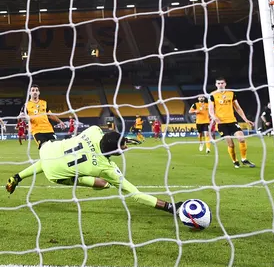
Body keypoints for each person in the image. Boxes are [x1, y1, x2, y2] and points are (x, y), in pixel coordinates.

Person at [5, 126, 183, 214]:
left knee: (51, 160)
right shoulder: (106, 168)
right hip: (56, 175)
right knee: (104, 184)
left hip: (48, 150)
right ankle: (80, 178)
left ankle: (17, 177)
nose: (126, 149)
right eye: (122, 147)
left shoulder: (92, 131)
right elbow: (135, 194)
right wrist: (169, 207)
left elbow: (106, 133)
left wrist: (120, 139)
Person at [209, 77, 255, 168]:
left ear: (225, 84)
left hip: (232, 121)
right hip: (221, 123)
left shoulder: (231, 94)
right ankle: (235, 161)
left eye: (222, 83)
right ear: (216, 85)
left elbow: (237, 108)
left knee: (241, 138)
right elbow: (211, 110)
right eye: (218, 83)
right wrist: (215, 118)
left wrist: (245, 119)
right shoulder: (212, 95)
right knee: (231, 144)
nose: (220, 85)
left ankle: (244, 159)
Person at [19, 84, 66, 149]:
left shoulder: (44, 103)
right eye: (33, 90)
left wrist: (60, 121)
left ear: (39, 92)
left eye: (36, 90)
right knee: (44, 148)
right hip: (37, 131)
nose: (35, 92)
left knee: (55, 148)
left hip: (49, 130)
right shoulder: (26, 105)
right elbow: (21, 115)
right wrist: (22, 117)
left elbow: (50, 115)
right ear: (30, 93)